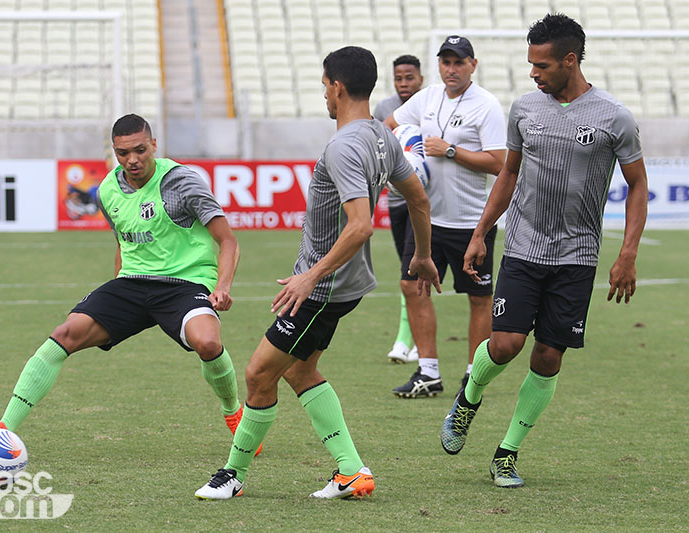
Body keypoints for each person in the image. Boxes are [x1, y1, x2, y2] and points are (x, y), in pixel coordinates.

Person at [194, 46, 440, 500]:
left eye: (325, 86)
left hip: (323, 288)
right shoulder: (382, 136)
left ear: (338, 87)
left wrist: (310, 277)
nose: (324, 94)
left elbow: (361, 225)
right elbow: (419, 199)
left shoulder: (345, 145)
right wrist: (422, 254)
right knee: (299, 371)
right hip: (345, 285)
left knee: (258, 374)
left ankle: (232, 475)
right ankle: (350, 470)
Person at [0, 114, 257, 455]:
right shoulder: (107, 190)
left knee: (207, 342)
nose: (132, 159)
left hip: (185, 282)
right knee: (65, 334)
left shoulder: (182, 182)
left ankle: (233, 411)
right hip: (132, 283)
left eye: (140, 150)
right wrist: (118, 290)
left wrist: (222, 287)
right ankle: (3, 430)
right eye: (122, 153)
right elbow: (123, 243)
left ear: (154, 145)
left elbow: (229, 241)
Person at [440, 13, 648, 488]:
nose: (533, 74)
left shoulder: (613, 116)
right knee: (507, 344)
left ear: (570, 61)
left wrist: (628, 253)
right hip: (524, 246)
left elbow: (638, 185)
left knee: (548, 357)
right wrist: (480, 232)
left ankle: (507, 452)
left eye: (542, 65)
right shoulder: (525, 109)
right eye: (530, 64)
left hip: (578, 256)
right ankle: (470, 396)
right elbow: (508, 174)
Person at [384, 36, 506, 398]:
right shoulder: (426, 98)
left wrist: (450, 150)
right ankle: (428, 372)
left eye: (459, 62)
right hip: (427, 220)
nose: (451, 69)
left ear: (473, 64)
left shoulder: (486, 105)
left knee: (479, 298)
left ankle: (474, 374)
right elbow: (388, 125)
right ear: (438, 66)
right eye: (446, 62)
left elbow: (499, 163)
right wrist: (401, 156)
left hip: (471, 224)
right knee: (412, 286)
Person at [374, 54, 425, 364]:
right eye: (399, 78)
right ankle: (414, 338)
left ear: (420, 78)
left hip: (422, 201)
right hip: (396, 200)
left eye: (409, 77)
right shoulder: (384, 109)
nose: (404, 83)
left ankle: (409, 339)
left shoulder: (431, 104)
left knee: (414, 270)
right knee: (407, 268)